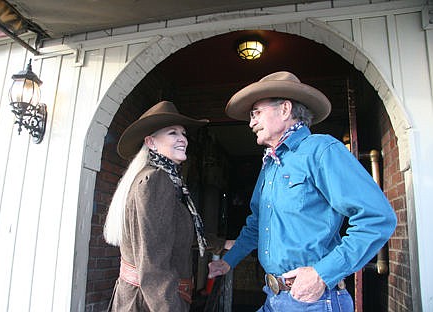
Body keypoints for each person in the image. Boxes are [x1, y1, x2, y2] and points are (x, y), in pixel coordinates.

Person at [207, 71, 397, 311]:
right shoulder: (270, 165)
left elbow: (378, 218)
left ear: (285, 109)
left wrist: (321, 274)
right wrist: (228, 262)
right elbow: (257, 224)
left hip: (314, 301)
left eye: (256, 113)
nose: (251, 123)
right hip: (274, 298)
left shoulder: (321, 150)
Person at [104, 100, 214, 311]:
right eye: (173, 133)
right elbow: (154, 265)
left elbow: (168, 234)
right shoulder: (156, 180)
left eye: (183, 134)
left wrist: (219, 243)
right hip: (152, 302)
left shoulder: (159, 178)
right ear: (151, 142)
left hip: (143, 299)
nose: (183, 139)